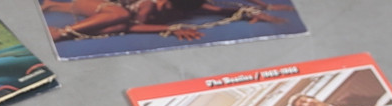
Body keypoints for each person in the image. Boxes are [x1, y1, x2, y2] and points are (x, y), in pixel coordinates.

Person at [41, 0, 287, 43]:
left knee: (115, 23)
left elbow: (224, 10)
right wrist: (171, 27)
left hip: (109, 10)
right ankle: (63, 31)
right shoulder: (149, 5)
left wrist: (256, 11)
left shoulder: (194, 4)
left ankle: (53, 5)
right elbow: (132, 26)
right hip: (102, 3)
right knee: (118, 17)